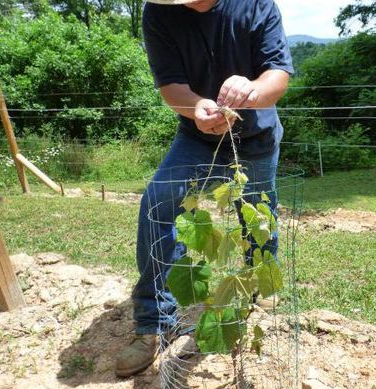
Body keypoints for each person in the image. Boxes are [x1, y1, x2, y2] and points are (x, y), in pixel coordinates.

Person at [115, 0, 293, 378]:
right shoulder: (158, 12)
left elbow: (277, 75)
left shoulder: (256, 4)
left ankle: (255, 298)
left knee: (259, 215)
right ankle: (154, 323)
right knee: (158, 202)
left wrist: (251, 91)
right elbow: (170, 85)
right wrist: (197, 108)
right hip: (196, 138)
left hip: (258, 136)